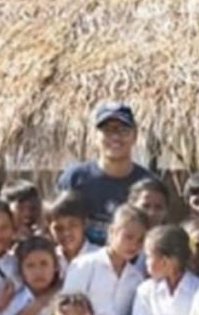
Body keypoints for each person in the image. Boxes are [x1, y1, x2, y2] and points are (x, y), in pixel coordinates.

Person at [56, 102, 154, 245]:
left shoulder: (148, 183)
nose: (115, 137)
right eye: (107, 131)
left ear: (135, 135)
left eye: (123, 130)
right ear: (95, 136)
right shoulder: (74, 178)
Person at [61, 203, 149, 315]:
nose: (134, 245)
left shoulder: (136, 278)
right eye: (128, 237)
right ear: (112, 232)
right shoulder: (85, 265)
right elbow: (66, 307)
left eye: (140, 240)